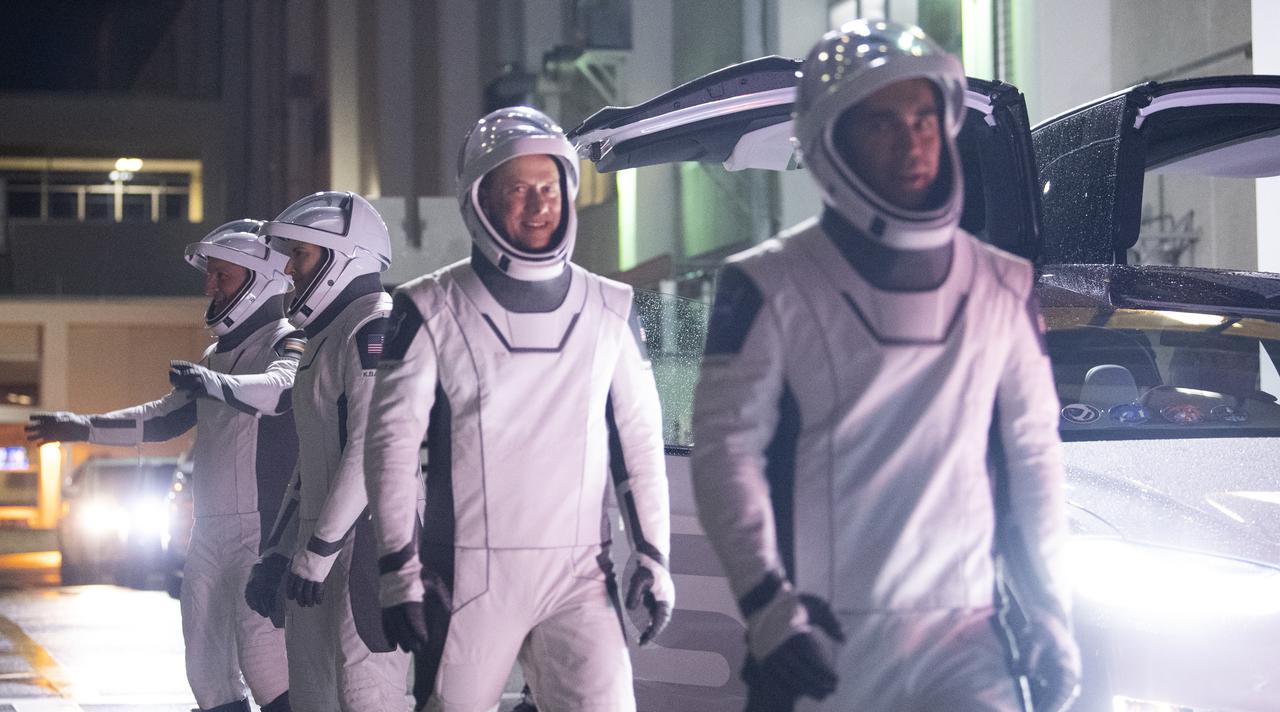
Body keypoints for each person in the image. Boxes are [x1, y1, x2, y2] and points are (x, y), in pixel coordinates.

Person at [689, 20, 1081, 712]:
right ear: (829, 141)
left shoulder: (1003, 286)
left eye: (925, 118)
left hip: (968, 636)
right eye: (882, 124)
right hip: (822, 638)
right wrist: (769, 610)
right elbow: (725, 457)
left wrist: (1051, 614)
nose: (913, 141)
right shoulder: (769, 283)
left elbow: (1034, 461)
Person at [363, 106, 673, 712]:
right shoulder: (427, 307)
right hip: (469, 579)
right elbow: (390, 448)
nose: (538, 204)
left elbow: (639, 443)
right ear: (480, 199)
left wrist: (654, 557)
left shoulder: (611, 307)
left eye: (549, 186)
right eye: (518, 189)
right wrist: (398, 568)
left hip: (581, 579)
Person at [27, 220, 300, 712]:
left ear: (262, 280)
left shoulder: (287, 340)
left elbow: (282, 390)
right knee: (206, 671)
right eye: (210, 276)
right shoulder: (217, 355)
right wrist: (81, 426)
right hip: (208, 532)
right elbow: (162, 419)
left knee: (267, 667)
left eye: (223, 276)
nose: (211, 286)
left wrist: (214, 384)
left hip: (262, 532)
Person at [243, 191, 409, 711]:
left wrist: (315, 553)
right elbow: (311, 460)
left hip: (369, 548)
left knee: (366, 696)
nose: (289, 270)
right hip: (320, 547)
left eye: (301, 255)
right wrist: (277, 551)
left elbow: (372, 449)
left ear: (345, 256)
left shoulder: (373, 325)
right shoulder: (323, 335)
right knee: (315, 696)